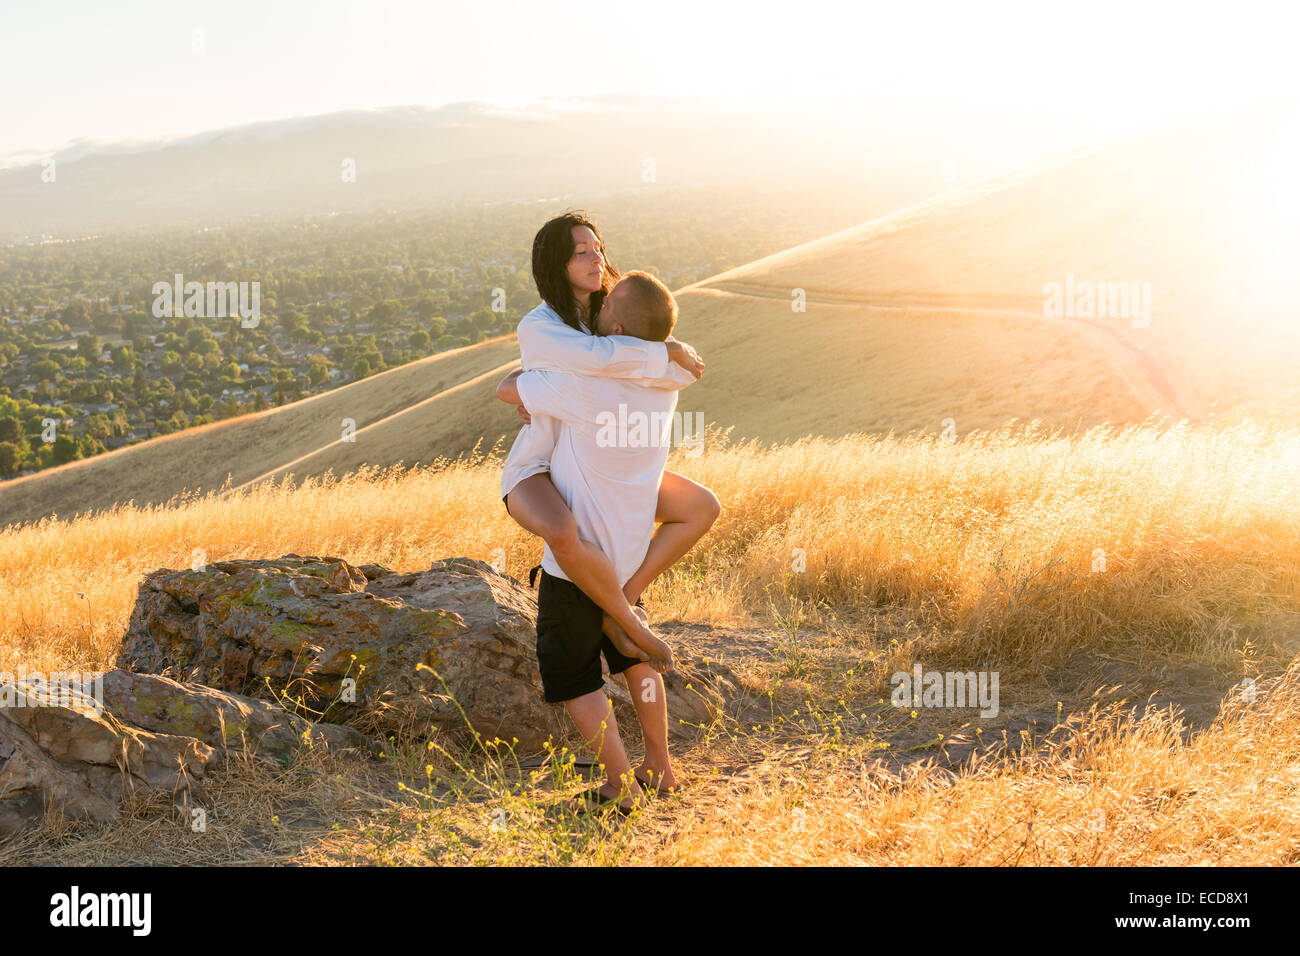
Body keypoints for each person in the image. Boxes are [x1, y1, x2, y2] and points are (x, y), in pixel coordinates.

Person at [495, 270, 696, 811]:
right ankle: (661, 766)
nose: (600, 308)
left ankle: (620, 785)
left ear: (620, 327)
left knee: (577, 679)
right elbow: (656, 354)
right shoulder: (670, 379)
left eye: (610, 310)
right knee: (636, 663)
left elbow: (508, 388)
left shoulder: (584, 384)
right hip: (628, 547)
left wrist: (541, 372)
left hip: (578, 563)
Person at [498, 212, 720, 672]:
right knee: (563, 532)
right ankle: (627, 622)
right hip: (544, 463)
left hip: (595, 461)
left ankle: (625, 599)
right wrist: (661, 349)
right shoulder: (541, 326)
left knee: (701, 505)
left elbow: (680, 368)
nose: (596, 258)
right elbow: (595, 359)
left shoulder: (612, 314)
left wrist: (664, 347)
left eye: (598, 248)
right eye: (581, 252)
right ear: (556, 263)